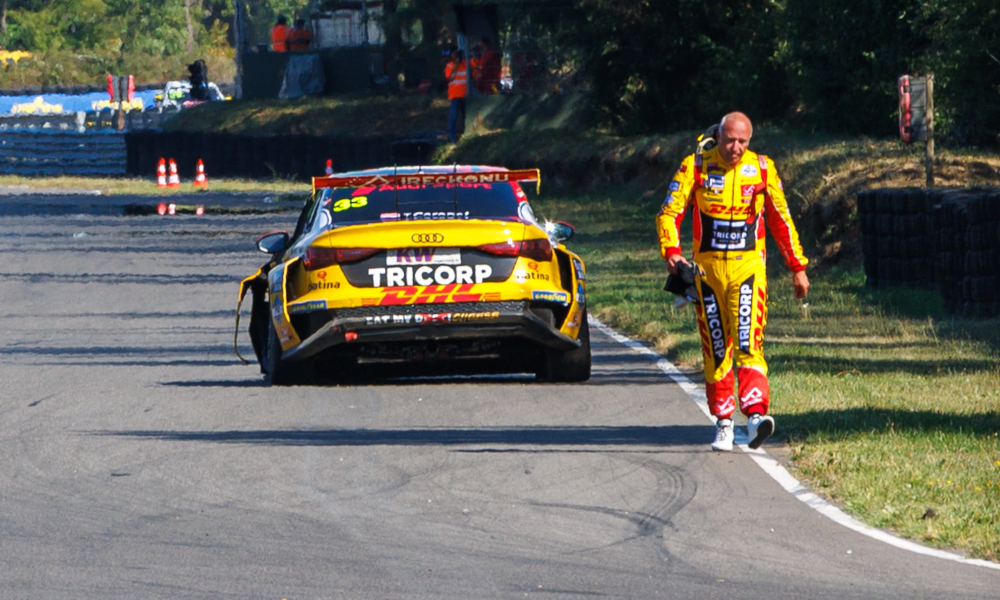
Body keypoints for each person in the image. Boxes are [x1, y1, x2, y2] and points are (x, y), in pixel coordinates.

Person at [656, 112, 810, 452]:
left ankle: (755, 415)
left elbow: (781, 219)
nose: (736, 147)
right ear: (718, 135)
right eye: (730, 140)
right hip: (706, 275)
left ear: (750, 141)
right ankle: (724, 422)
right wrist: (672, 251)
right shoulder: (694, 166)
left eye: (742, 141)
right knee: (715, 348)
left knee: (748, 342)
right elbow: (669, 212)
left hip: (748, 271)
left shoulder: (763, 168)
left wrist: (797, 266)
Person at [444, 48, 468, 143]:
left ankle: (465, 134)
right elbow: (451, 77)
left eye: (457, 54)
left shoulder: (466, 64)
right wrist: (457, 65)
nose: (456, 57)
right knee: (453, 116)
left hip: (465, 95)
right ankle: (452, 137)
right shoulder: (449, 66)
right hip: (454, 96)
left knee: (465, 116)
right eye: (454, 55)